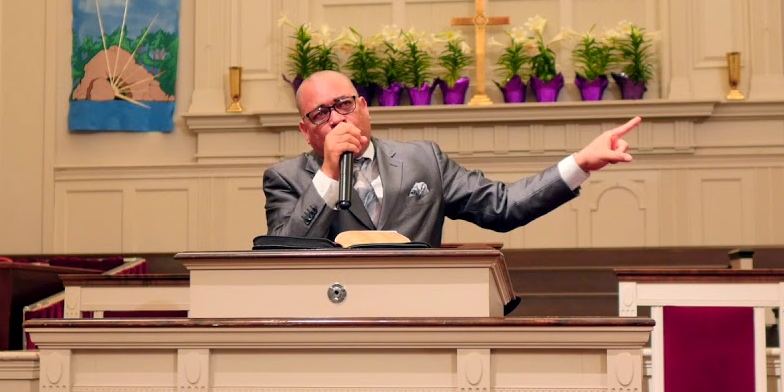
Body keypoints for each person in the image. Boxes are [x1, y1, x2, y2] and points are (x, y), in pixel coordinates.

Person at [263, 70, 642, 246]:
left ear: (364, 108)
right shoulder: (285, 178)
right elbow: (283, 255)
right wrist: (329, 172)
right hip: (332, 329)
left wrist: (580, 163)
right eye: (320, 114)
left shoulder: (423, 160)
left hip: (419, 321)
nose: (337, 119)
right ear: (305, 129)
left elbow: (503, 207)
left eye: (344, 104)